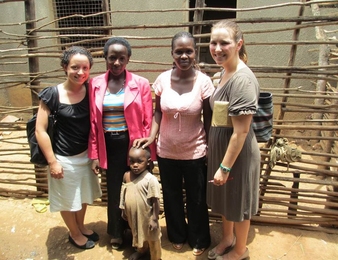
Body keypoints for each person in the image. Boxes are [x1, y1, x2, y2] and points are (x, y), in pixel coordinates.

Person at [133, 31, 213, 256]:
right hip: (166, 150)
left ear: (195, 53)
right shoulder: (163, 80)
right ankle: (177, 234)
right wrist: (152, 136)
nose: (184, 56)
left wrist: (209, 146)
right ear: (172, 53)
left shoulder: (203, 82)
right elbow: (158, 112)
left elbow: (208, 117)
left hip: (195, 150)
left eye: (188, 51)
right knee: (171, 195)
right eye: (179, 51)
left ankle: (199, 238)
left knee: (197, 198)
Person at [88, 37, 154, 250]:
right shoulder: (96, 84)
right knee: (115, 189)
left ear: (128, 59)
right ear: (105, 58)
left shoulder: (141, 84)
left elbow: (147, 120)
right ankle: (116, 232)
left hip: (133, 144)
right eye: (112, 58)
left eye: (121, 58)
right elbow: (92, 122)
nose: (116, 62)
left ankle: (136, 232)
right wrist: (95, 154)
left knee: (136, 188)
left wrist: (146, 151)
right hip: (109, 144)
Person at [35, 46, 102, 250]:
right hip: (63, 158)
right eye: (75, 67)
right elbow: (40, 130)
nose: (80, 72)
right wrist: (52, 162)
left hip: (86, 155)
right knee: (67, 199)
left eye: (85, 68)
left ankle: (80, 226)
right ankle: (74, 233)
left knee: (84, 195)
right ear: (65, 67)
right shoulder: (52, 94)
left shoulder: (91, 90)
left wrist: (96, 155)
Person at [206, 20, 261, 260]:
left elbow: (240, 132)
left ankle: (240, 250)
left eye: (224, 43)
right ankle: (227, 239)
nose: (217, 48)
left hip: (236, 155)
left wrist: (225, 167)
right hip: (223, 151)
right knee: (226, 199)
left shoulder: (242, 80)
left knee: (238, 202)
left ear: (238, 44)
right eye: (213, 42)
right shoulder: (223, 73)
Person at [119, 146, 162, 260]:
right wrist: (123, 209)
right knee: (137, 234)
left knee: (152, 239)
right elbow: (123, 193)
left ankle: (155, 257)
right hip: (133, 216)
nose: (135, 165)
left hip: (147, 217)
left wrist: (154, 219)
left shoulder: (150, 180)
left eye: (139, 161)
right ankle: (141, 251)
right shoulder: (126, 176)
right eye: (132, 161)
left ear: (148, 162)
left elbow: (155, 201)